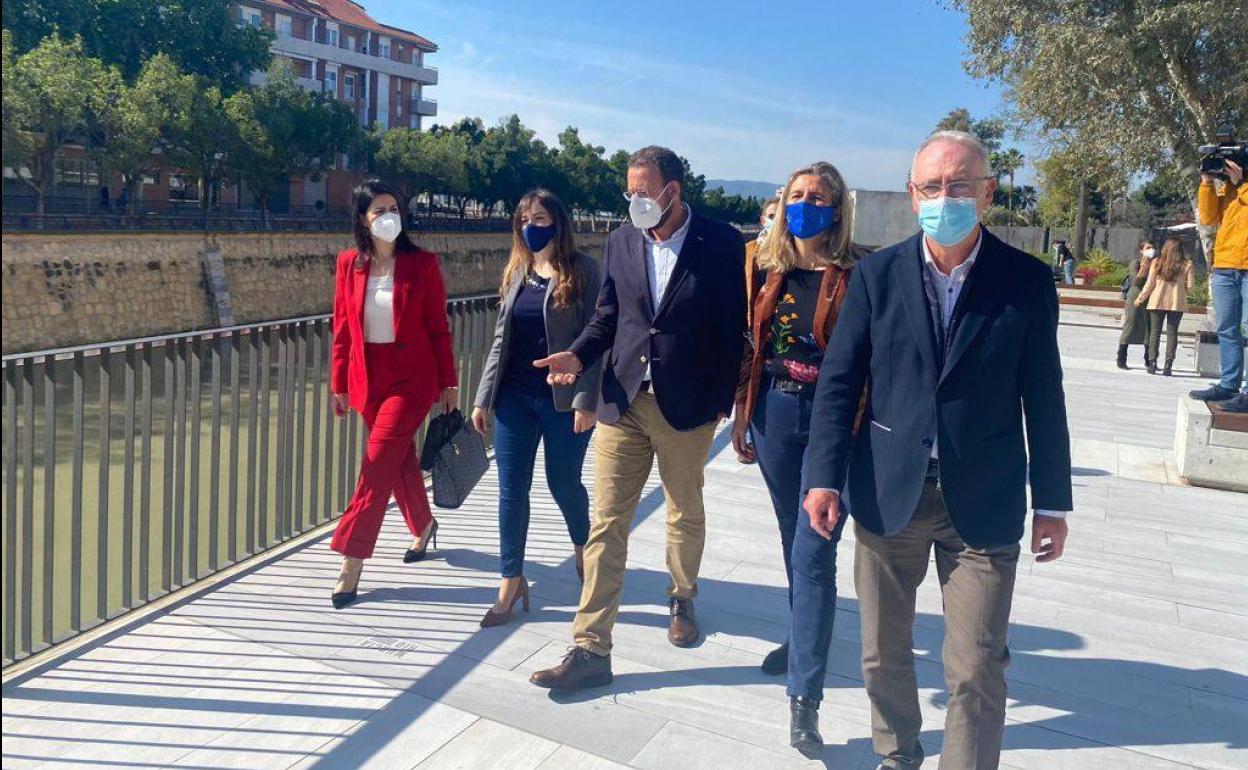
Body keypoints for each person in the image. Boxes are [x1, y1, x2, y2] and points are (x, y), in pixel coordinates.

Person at [803, 130, 1072, 768]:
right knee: (882, 651)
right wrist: (823, 478)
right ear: (912, 193)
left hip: (983, 499)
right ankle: (897, 752)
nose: (944, 197)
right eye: (931, 186)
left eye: (959, 185)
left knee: (977, 663)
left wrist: (1052, 502)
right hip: (887, 488)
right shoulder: (876, 276)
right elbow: (840, 383)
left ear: (988, 192)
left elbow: (1045, 396)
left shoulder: (1026, 282)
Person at [527, 145, 746, 692]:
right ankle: (590, 647)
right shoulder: (622, 240)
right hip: (621, 398)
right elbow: (608, 316)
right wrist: (577, 355)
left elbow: (731, 327)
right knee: (607, 521)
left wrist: (722, 399)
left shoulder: (720, 242)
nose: (636, 201)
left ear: (673, 190)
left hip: (686, 404)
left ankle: (683, 596)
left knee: (683, 510)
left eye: (644, 192)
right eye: (630, 192)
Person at [730, 161, 868, 756]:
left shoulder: (861, 273)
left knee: (814, 551)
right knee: (793, 536)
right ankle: (801, 635)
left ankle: (804, 697)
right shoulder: (766, 267)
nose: (806, 205)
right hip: (776, 415)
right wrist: (743, 412)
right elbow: (752, 344)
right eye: (797, 195)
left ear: (837, 211)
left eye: (818, 197)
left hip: (835, 424)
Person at [471, 189, 603, 627]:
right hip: (514, 399)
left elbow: (598, 340)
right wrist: (483, 397)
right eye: (524, 219)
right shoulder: (518, 271)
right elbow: (500, 340)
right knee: (511, 490)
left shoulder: (585, 271)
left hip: (563, 402)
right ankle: (510, 579)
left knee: (563, 483)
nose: (531, 226)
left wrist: (587, 400)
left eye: (540, 218)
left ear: (558, 223)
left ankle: (583, 547)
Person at [328, 178, 458, 609]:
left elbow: (438, 328)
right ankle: (423, 526)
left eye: (394, 209)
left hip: (411, 379)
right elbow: (342, 329)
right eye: (379, 210)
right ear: (363, 220)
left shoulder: (422, 264)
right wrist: (338, 383)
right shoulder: (349, 264)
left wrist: (449, 383)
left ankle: (351, 559)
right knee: (397, 460)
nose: (388, 217)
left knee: (377, 462)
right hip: (368, 378)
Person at [1190, 159, 1248, 412]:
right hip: (1225, 266)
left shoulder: (1240, 186)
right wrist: (1206, 183)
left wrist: (1242, 183)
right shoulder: (1227, 188)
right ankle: (1228, 385)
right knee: (1226, 328)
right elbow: (1208, 218)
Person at [1136, 237, 1195, 376]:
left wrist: (1140, 298)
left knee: (1155, 332)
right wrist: (1181, 288)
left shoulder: (1157, 262)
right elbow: (1191, 287)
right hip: (1177, 303)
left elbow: (1149, 284)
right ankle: (1168, 365)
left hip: (1157, 300)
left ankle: (1152, 363)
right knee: (1172, 333)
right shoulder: (1187, 264)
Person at [1117, 241, 1156, 369]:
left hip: (1150, 297)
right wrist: (1144, 267)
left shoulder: (1156, 262)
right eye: (1147, 248)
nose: (1150, 250)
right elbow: (1135, 281)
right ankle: (1121, 358)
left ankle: (1149, 359)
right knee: (1130, 325)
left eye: (1152, 248)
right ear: (1141, 250)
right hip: (1135, 296)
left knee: (1149, 328)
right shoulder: (1136, 262)